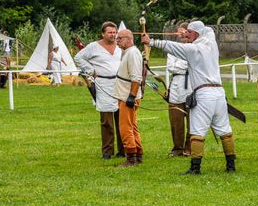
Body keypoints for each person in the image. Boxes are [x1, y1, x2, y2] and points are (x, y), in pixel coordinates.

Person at [142, 21, 237, 174]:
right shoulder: (211, 41)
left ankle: (195, 167)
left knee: (197, 130)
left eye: (190, 33)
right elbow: (207, 29)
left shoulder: (193, 49)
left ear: (196, 34)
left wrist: (151, 41)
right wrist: (186, 33)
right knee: (225, 130)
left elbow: (172, 46)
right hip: (219, 93)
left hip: (204, 94)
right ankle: (231, 165)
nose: (187, 35)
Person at [74, 22, 124, 159]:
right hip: (103, 84)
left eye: (114, 32)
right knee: (107, 121)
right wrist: (91, 70)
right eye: (110, 32)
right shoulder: (93, 47)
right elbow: (78, 58)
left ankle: (123, 150)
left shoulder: (120, 46)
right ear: (103, 33)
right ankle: (107, 151)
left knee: (122, 119)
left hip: (120, 83)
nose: (113, 35)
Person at [113, 29, 144, 167]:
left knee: (125, 127)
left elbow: (136, 77)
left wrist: (132, 96)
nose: (117, 40)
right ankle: (138, 154)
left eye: (120, 38)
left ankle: (131, 157)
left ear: (128, 39)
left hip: (128, 97)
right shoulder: (128, 53)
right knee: (132, 125)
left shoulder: (132, 53)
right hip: (126, 95)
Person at [166, 23, 192, 157]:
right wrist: (186, 66)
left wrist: (185, 65)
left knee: (193, 119)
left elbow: (194, 65)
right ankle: (177, 148)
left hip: (192, 86)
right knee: (176, 120)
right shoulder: (173, 49)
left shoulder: (195, 48)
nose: (181, 35)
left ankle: (190, 148)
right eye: (179, 33)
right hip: (176, 86)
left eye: (184, 32)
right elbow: (171, 67)